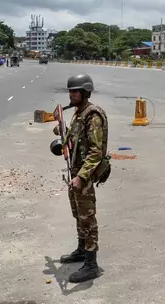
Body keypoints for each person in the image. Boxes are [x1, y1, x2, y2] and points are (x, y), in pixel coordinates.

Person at [54, 73, 109, 283]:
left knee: (88, 218)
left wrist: (82, 177)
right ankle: (81, 249)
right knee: (78, 214)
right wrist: (61, 127)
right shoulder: (78, 113)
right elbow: (74, 139)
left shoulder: (92, 115)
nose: (71, 94)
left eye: (75, 91)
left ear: (85, 92)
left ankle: (92, 265)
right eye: (70, 90)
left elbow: (96, 152)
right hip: (75, 171)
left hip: (83, 175)